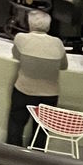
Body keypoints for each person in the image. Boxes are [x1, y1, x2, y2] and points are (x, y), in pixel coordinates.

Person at [8, 10, 68, 147]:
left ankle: (12, 154)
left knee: (16, 123)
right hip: (50, 94)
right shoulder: (58, 43)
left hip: (24, 90)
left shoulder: (21, 38)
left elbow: (16, 56)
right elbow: (64, 66)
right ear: (48, 26)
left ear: (30, 24)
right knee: (41, 129)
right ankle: (36, 159)